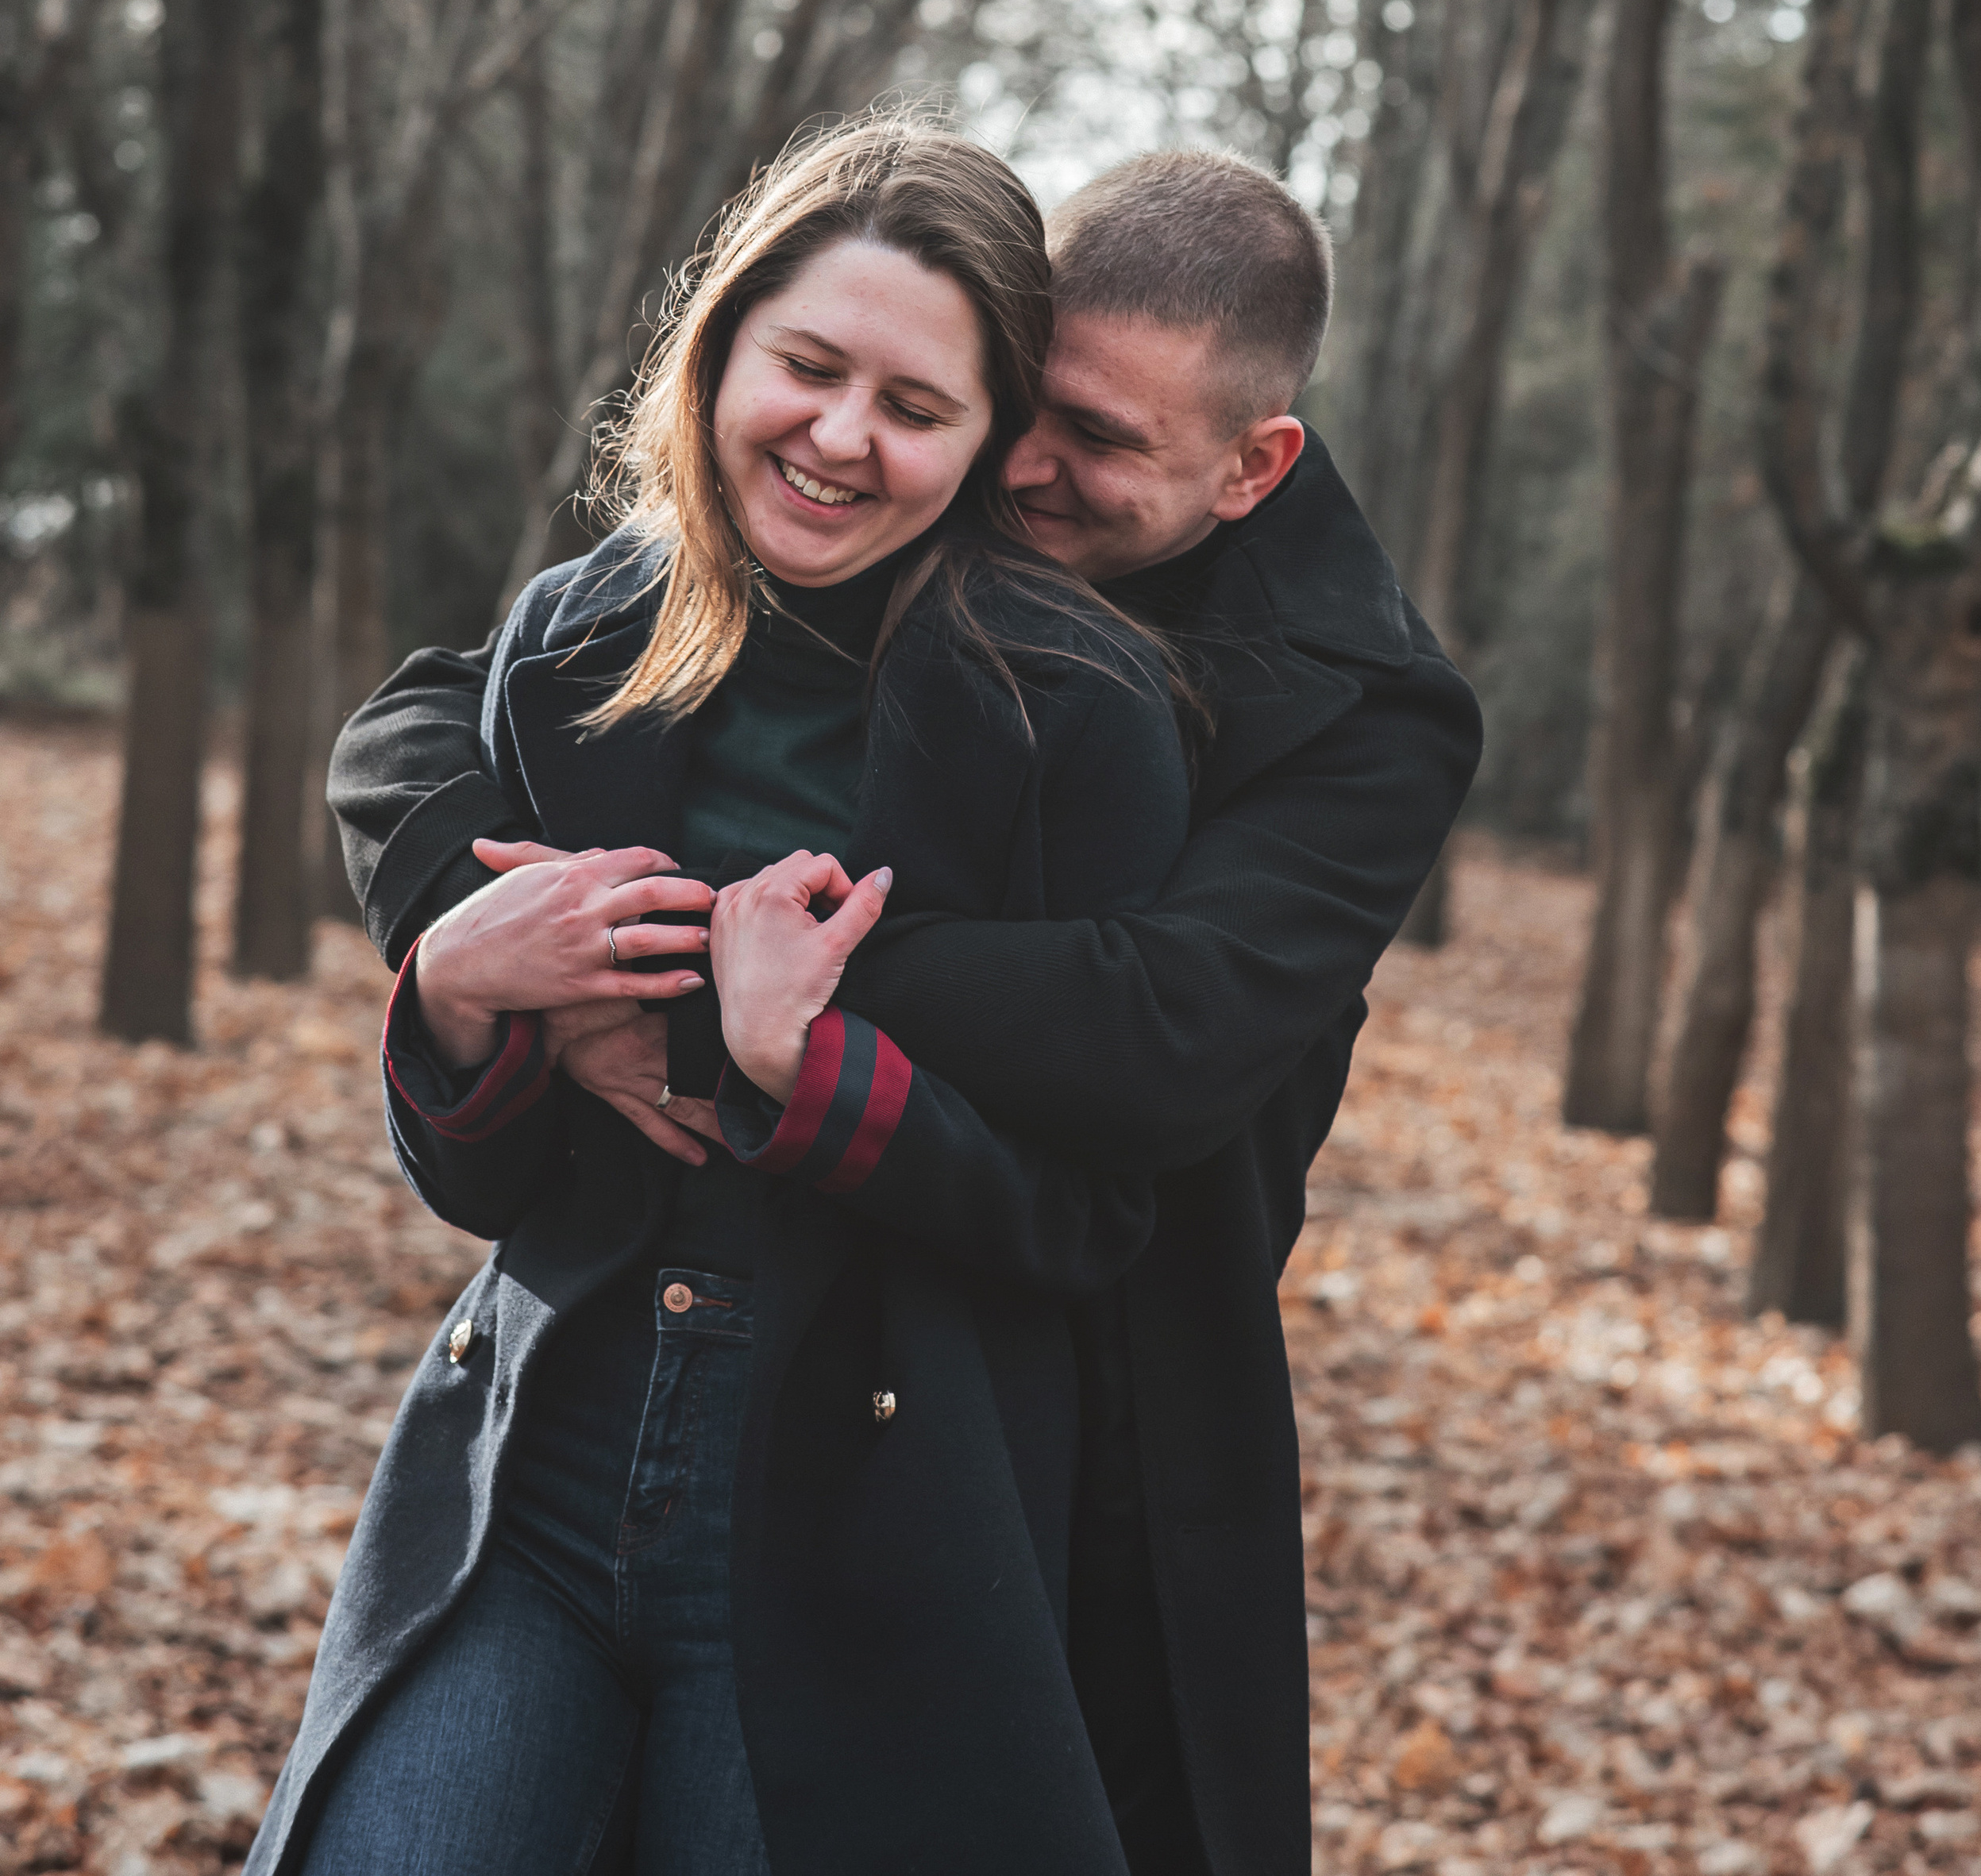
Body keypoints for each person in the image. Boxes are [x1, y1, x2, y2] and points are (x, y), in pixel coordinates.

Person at [330, 146, 1484, 1876]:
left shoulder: (1353, 710)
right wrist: (489, 953)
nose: (1024, 467)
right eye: (1020, 401)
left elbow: (1158, 1030)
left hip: (1100, 1391)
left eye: (1090, 440)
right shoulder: (751, 576)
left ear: (1249, 469)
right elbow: (431, 715)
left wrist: (718, 979)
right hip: (624, 1390)